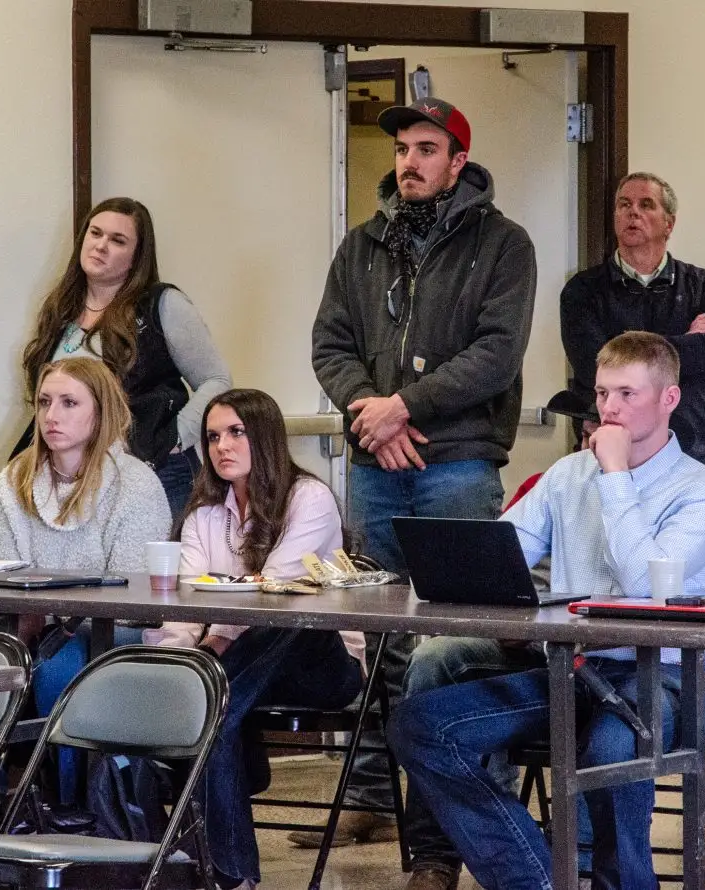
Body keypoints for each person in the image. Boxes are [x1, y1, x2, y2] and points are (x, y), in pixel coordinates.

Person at [388, 332, 705, 890]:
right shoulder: (569, 475)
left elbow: (646, 580)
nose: (610, 409)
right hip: (571, 670)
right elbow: (504, 550)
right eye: (602, 394)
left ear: (669, 399)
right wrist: (453, 566)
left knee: (613, 744)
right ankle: (540, 877)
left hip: (669, 679)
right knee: (422, 726)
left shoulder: (702, 493)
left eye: (627, 394)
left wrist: (616, 476)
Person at [306, 96, 536, 849]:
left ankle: (441, 837)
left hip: (458, 466)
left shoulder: (504, 244)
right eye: (403, 148)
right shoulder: (363, 245)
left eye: (426, 149)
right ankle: (373, 798)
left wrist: (402, 405)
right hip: (378, 467)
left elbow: (495, 355)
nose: (409, 162)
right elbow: (330, 345)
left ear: (458, 161)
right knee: (378, 640)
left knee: (449, 645)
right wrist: (368, 409)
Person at [142, 389, 365, 890]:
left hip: (321, 665)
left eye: (236, 432)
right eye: (213, 436)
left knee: (289, 617)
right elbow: (185, 601)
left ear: (264, 437)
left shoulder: (310, 497)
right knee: (213, 707)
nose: (222, 446)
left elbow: (277, 591)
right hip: (241, 674)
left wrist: (211, 651)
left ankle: (206, 703)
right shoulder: (204, 514)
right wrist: (178, 660)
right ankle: (233, 877)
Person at [0, 356, 172, 804]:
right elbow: (12, 582)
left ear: (100, 411)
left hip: (118, 630)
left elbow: (130, 594)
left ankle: (76, 812)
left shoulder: (135, 484)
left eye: (69, 403)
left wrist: (57, 619)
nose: (52, 416)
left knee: (60, 670)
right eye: (45, 402)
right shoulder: (11, 482)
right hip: (36, 625)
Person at [19, 196, 231, 518]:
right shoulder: (60, 308)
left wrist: (174, 438)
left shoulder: (163, 304)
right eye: (95, 233)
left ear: (136, 258)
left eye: (117, 240)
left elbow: (217, 381)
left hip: (154, 472)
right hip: (76, 477)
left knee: (158, 570)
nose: (101, 246)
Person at [561, 172, 705, 475]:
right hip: (611, 456)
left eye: (646, 204)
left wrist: (622, 345)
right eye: (624, 204)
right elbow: (592, 363)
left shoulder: (704, 287)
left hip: (695, 452)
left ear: (669, 223)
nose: (632, 212)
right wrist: (681, 340)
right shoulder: (582, 291)